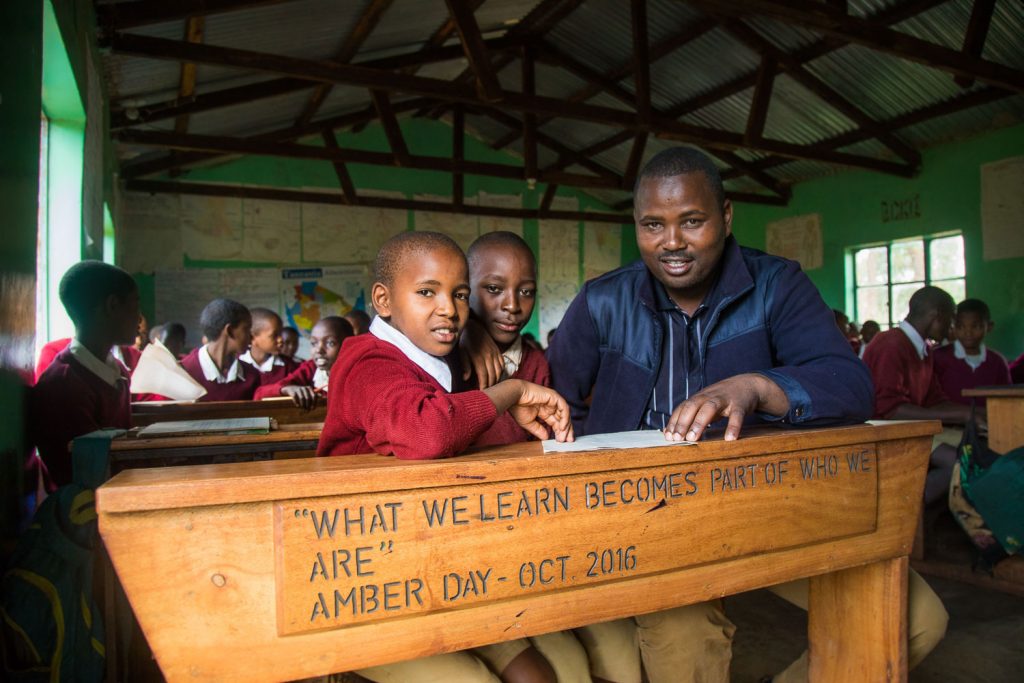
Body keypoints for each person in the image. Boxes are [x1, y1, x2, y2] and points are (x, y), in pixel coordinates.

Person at [543, 147, 943, 682]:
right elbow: (551, 407)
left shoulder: (777, 285)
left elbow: (852, 385)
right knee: (687, 644)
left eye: (692, 221)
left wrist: (758, 385)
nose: (672, 243)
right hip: (648, 521)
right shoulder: (601, 303)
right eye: (652, 225)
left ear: (726, 217)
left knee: (916, 619)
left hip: (761, 504)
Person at [317, 231, 577, 683]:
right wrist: (511, 390)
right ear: (383, 299)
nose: (449, 309)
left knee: (551, 673)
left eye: (458, 295)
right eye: (426, 292)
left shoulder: (434, 357)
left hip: (441, 573)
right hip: (370, 591)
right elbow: (429, 431)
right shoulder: (368, 363)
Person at [28, 261, 140, 488]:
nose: (139, 319)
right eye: (135, 305)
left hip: (120, 491)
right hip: (85, 511)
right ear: (112, 306)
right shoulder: (63, 384)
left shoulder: (115, 370)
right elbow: (83, 478)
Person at [460, 232, 556, 447]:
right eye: (494, 289)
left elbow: (543, 442)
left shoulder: (537, 364)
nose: (512, 305)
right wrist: (465, 327)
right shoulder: (448, 353)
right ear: (464, 288)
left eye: (526, 291)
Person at [253, 316, 354, 408]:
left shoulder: (359, 371)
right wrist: (286, 389)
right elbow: (259, 393)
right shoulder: (311, 368)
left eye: (330, 343)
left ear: (350, 344)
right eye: (314, 343)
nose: (318, 350)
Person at [932, 298, 1012, 406]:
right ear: (953, 327)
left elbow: (1007, 399)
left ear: (989, 326)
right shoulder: (939, 357)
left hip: (989, 421)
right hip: (948, 422)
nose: (968, 333)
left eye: (975, 326)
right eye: (960, 327)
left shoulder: (997, 362)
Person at [180, 299, 260, 402]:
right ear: (230, 331)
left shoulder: (250, 374)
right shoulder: (184, 372)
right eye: (246, 329)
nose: (251, 337)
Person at [239, 307, 299, 385]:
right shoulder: (237, 365)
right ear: (252, 338)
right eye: (274, 335)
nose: (281, 340)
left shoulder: (289, 366)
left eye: (280, 333)